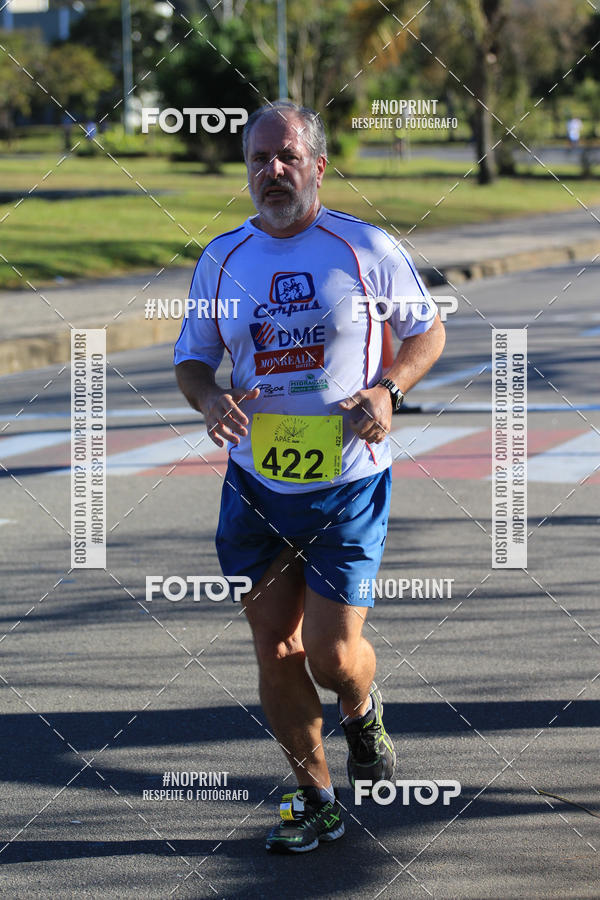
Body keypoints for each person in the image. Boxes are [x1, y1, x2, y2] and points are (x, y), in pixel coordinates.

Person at [174, 101, 446, 853]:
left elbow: (427, 329)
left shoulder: (363, 247)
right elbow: (192, 358)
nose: (273, 172)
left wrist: (389, 389)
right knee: (275, 649)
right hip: (256, 483)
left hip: (348, 480)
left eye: (287, 157)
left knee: (330, 656)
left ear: (318, 166)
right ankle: (316, 798)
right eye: (259, 160)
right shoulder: (223, 257)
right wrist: (208, 399)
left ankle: (361, 709)